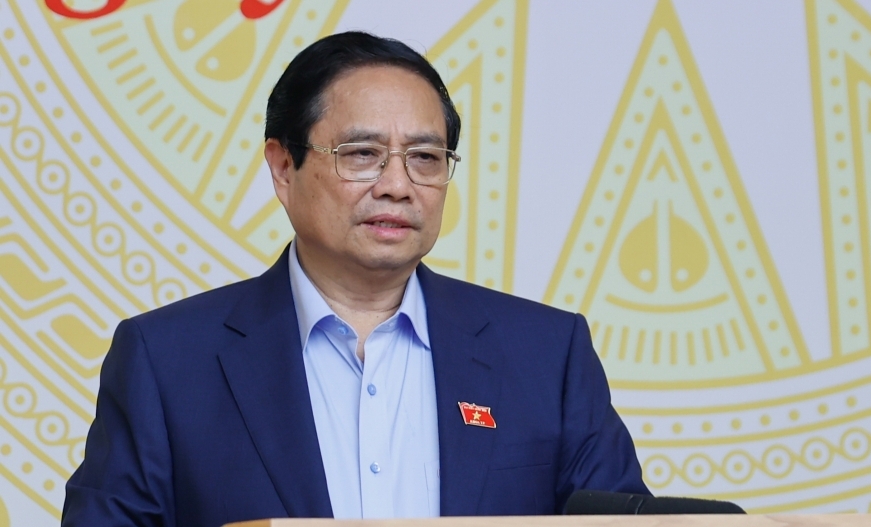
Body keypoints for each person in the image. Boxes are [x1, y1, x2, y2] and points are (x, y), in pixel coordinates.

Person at [61, 31, 649, 527]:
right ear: (283, 167)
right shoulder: (167, 360)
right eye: (362, 153)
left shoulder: (547, 354)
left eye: (425, 158)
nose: (397, 185)